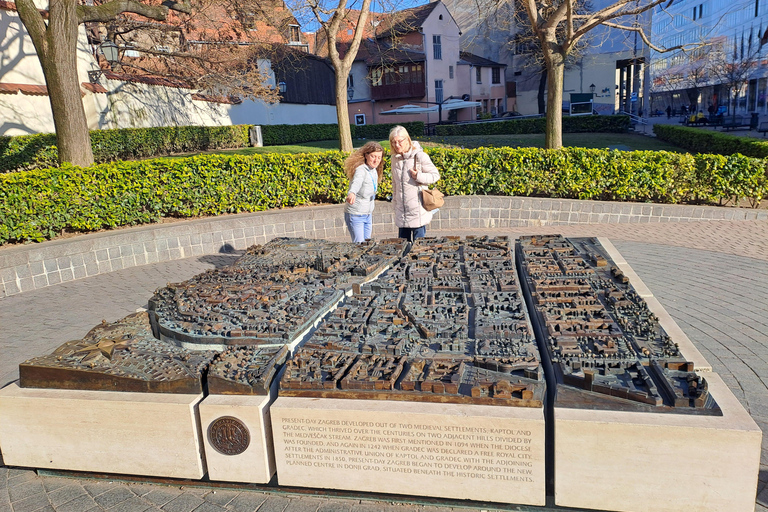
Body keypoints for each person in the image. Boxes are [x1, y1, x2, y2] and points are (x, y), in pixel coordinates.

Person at [388, 125, 440, 241]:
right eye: (393, 142)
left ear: (407, 140)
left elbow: (435, 175)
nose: (396, 145)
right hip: (402, 211)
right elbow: (395, 184)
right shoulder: (394, 159)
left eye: (399, 141)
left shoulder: (420, 156)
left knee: (418, 248)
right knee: (402, 246)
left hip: (418, 210)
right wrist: (395, 203)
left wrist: (418, 176)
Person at [343, 141, 384, 243]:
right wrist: (352, 193)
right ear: (366, 155)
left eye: (379, 157)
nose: (376, 160)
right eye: (373, 156)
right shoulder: (361, 170)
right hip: (356, 214)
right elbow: (356, 182)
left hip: (367, 214)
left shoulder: (373, 170)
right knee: (359, 246)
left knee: (367, 244)